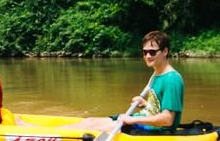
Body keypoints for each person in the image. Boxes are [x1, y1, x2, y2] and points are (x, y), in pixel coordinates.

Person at [25, 30, 183, 131]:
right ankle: (44, 131)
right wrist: (145, 103)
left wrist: (130, 119)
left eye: (152, 52)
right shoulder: (156, 74)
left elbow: (167, 119)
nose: (148, 56)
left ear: (165, 51)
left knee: (91, 127)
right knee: (90, 121)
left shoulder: (172, 80)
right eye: (145, 52)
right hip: (140, 120)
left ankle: (44, 133)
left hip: (153, 130)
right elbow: (157, 107)